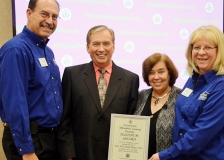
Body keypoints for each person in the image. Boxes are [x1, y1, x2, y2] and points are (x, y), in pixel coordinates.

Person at [149, 25, 224, 160]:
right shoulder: (192, 81)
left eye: (208, 47)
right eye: (196, 47)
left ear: (219, 51)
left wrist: (164, 155)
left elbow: (201, 134)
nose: (201, 52)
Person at [134, 53, 224, 159]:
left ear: (170, 73)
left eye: (161, 72)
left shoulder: (182, 99)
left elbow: (200, 128)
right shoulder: (140, 97)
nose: (156, 77)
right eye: (151, 73)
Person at [57, 25, 139, 160]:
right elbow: (65, 121)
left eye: (106, 43)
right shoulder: (72, 75)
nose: (101, 49)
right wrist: (68, 156)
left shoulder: (130, 80)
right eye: (96, 44)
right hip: (80, 155)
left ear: (113, 46)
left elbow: (131, 122)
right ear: (87, 47)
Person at [0, 0, 62, 159]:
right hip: (30, 142)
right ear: (29, 13)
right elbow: (15, 103)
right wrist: (26, 150)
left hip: (49, 139)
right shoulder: (16, 50)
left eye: (54, 17)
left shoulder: (48, 52)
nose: (50, 21)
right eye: (44, 14)